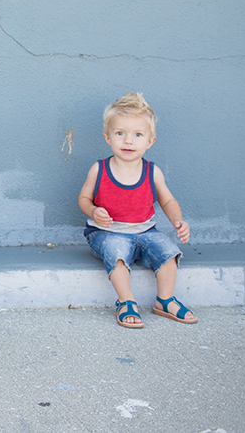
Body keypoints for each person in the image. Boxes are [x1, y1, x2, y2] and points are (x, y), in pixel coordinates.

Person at [78, 91, 196, 328]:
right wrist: (93, 212)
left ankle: (165, 299)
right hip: (107, 233)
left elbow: (168, 201)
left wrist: (178, 221)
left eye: (137, 134)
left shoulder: (153, 172)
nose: (128, 141)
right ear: (107, 137)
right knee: (117, 248)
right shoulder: (99, 169)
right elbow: (83, 198)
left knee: (168, 249)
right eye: (120, 133)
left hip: (144, 232)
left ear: (150, 141)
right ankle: (126, 300)